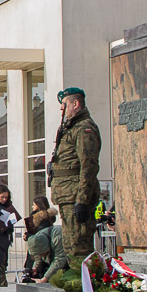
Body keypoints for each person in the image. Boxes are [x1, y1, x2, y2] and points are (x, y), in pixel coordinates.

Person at [49, 87, 102, 268]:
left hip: (75, 197)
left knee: (79, 248)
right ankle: (78, 285)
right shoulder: (70, 128)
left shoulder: (83, 128)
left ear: (76, 104)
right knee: (71, 247)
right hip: (67, 197)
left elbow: (89, 166)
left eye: (64, 105)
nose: (61, 109)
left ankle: (85, 287)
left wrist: (82, 200)